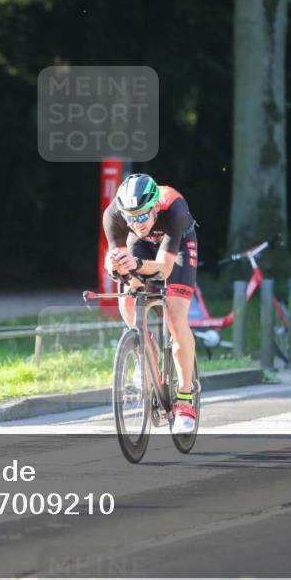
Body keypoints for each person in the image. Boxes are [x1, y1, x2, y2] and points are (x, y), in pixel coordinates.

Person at [102, 173, 199, 433]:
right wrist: (116, 266)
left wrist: (136, 265)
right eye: (131, 218)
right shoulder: (114, 215)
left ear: (155, 206)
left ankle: (185, 398)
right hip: (142, 246)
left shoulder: (174, 210)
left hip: (177, 245)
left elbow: (164, 270)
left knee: (176, 315)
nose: (137, 222)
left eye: (143, 216)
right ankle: (144, 349)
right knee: (128, 299)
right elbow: (117, 264)